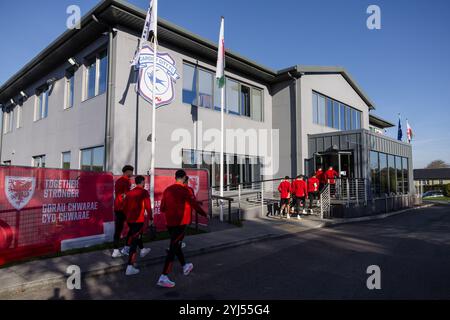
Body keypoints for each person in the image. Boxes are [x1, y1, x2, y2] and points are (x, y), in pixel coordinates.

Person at [157, 170, 207, 288]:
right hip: (180, 223)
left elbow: (163, 208)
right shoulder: (185, 190)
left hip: (170, 223)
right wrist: (204, 214)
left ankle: (185, 265)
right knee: (173, 248)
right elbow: (194, 204)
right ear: (184, 178)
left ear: (175, 177)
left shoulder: (167, 190)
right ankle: (163, 276)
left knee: (176, 245)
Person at [122, 175, 153, 275]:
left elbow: (124, 207)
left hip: (130, 220)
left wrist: (127, 217)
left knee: (136, 235)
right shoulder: (144, 192)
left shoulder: (130, 193)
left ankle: (143, 250)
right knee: (134, 242)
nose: (144, 183)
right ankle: (130, 267)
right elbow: (148, 206)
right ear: (143, 182)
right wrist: (151, 217)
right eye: (144, 182)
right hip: (138, 220)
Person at [112, 165, 133, 258]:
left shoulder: (119, 180)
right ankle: (126, 248)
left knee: (118, 230)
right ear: (127, 172)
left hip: (118, 208)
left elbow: (120, 195)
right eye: (131, 171)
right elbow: (125, 196)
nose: (132, 173)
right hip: (124, 208)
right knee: (133, 228)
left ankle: (116, 250)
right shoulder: (126, 181)